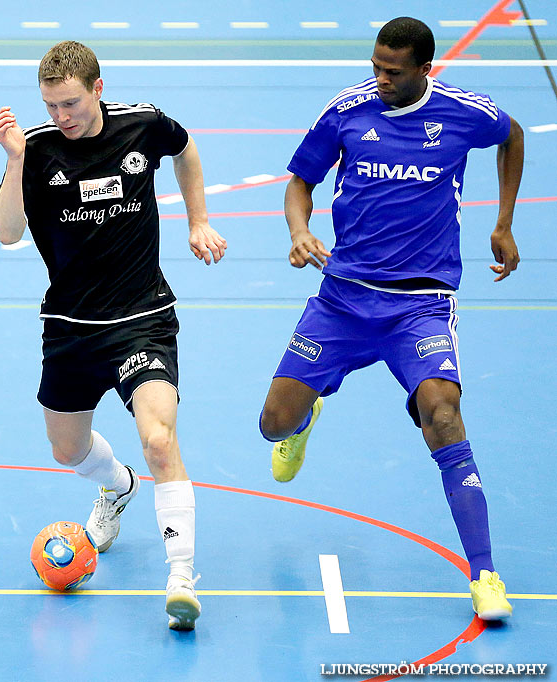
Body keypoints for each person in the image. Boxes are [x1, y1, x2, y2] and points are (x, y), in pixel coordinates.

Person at [258, 17, 523, 621]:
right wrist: (301, 231)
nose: (378, 79)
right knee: (273, 424)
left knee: (445, 414)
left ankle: (484, 573)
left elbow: (513, 135)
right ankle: (305, 419)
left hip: (421, 304)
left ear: (425, 69)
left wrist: (504, 221)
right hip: (343, 300)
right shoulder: (347, 112)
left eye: (392, 71)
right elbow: (300, 182)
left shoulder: (462, 114)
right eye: (375, 65)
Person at [0, 40, 227, 630]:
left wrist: (198, 220)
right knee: (67, 450)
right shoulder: (38, 149)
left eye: (70, 103)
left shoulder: (142, 124)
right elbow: (5, 233)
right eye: (50, 106)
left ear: (98, 89)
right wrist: (16, 159)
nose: (61, 117)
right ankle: (116, 486)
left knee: (158, 438)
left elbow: (186, 148)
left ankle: (180, 577)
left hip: (142, 317)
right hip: (70, 326)